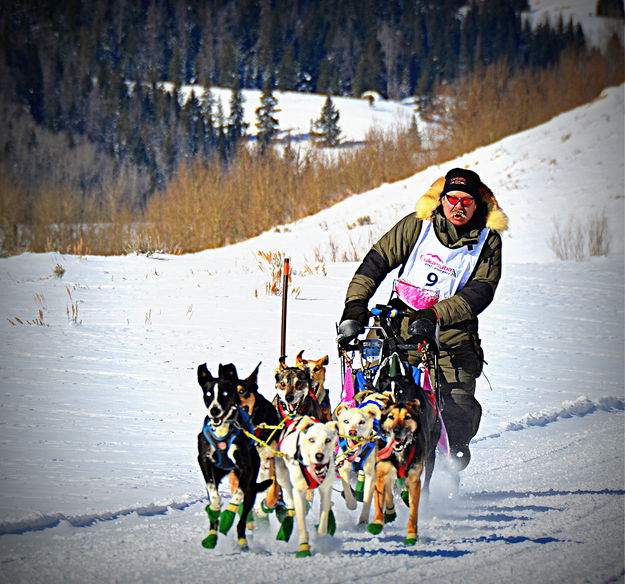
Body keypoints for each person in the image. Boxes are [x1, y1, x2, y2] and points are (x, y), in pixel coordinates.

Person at [337, 167, 508, 474]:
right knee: (383, 401)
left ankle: (447, 468)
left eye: (467, 201)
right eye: (452, 198)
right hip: (399, 330)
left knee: (455, 412)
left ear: (477, 204)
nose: (459, 206)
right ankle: (379, 469)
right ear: (441, 200)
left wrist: (435, 314)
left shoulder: (487, 241)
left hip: (452, 339)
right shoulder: (418, 226)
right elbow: (375, 263)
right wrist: (354, 308)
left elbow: (481, 291)